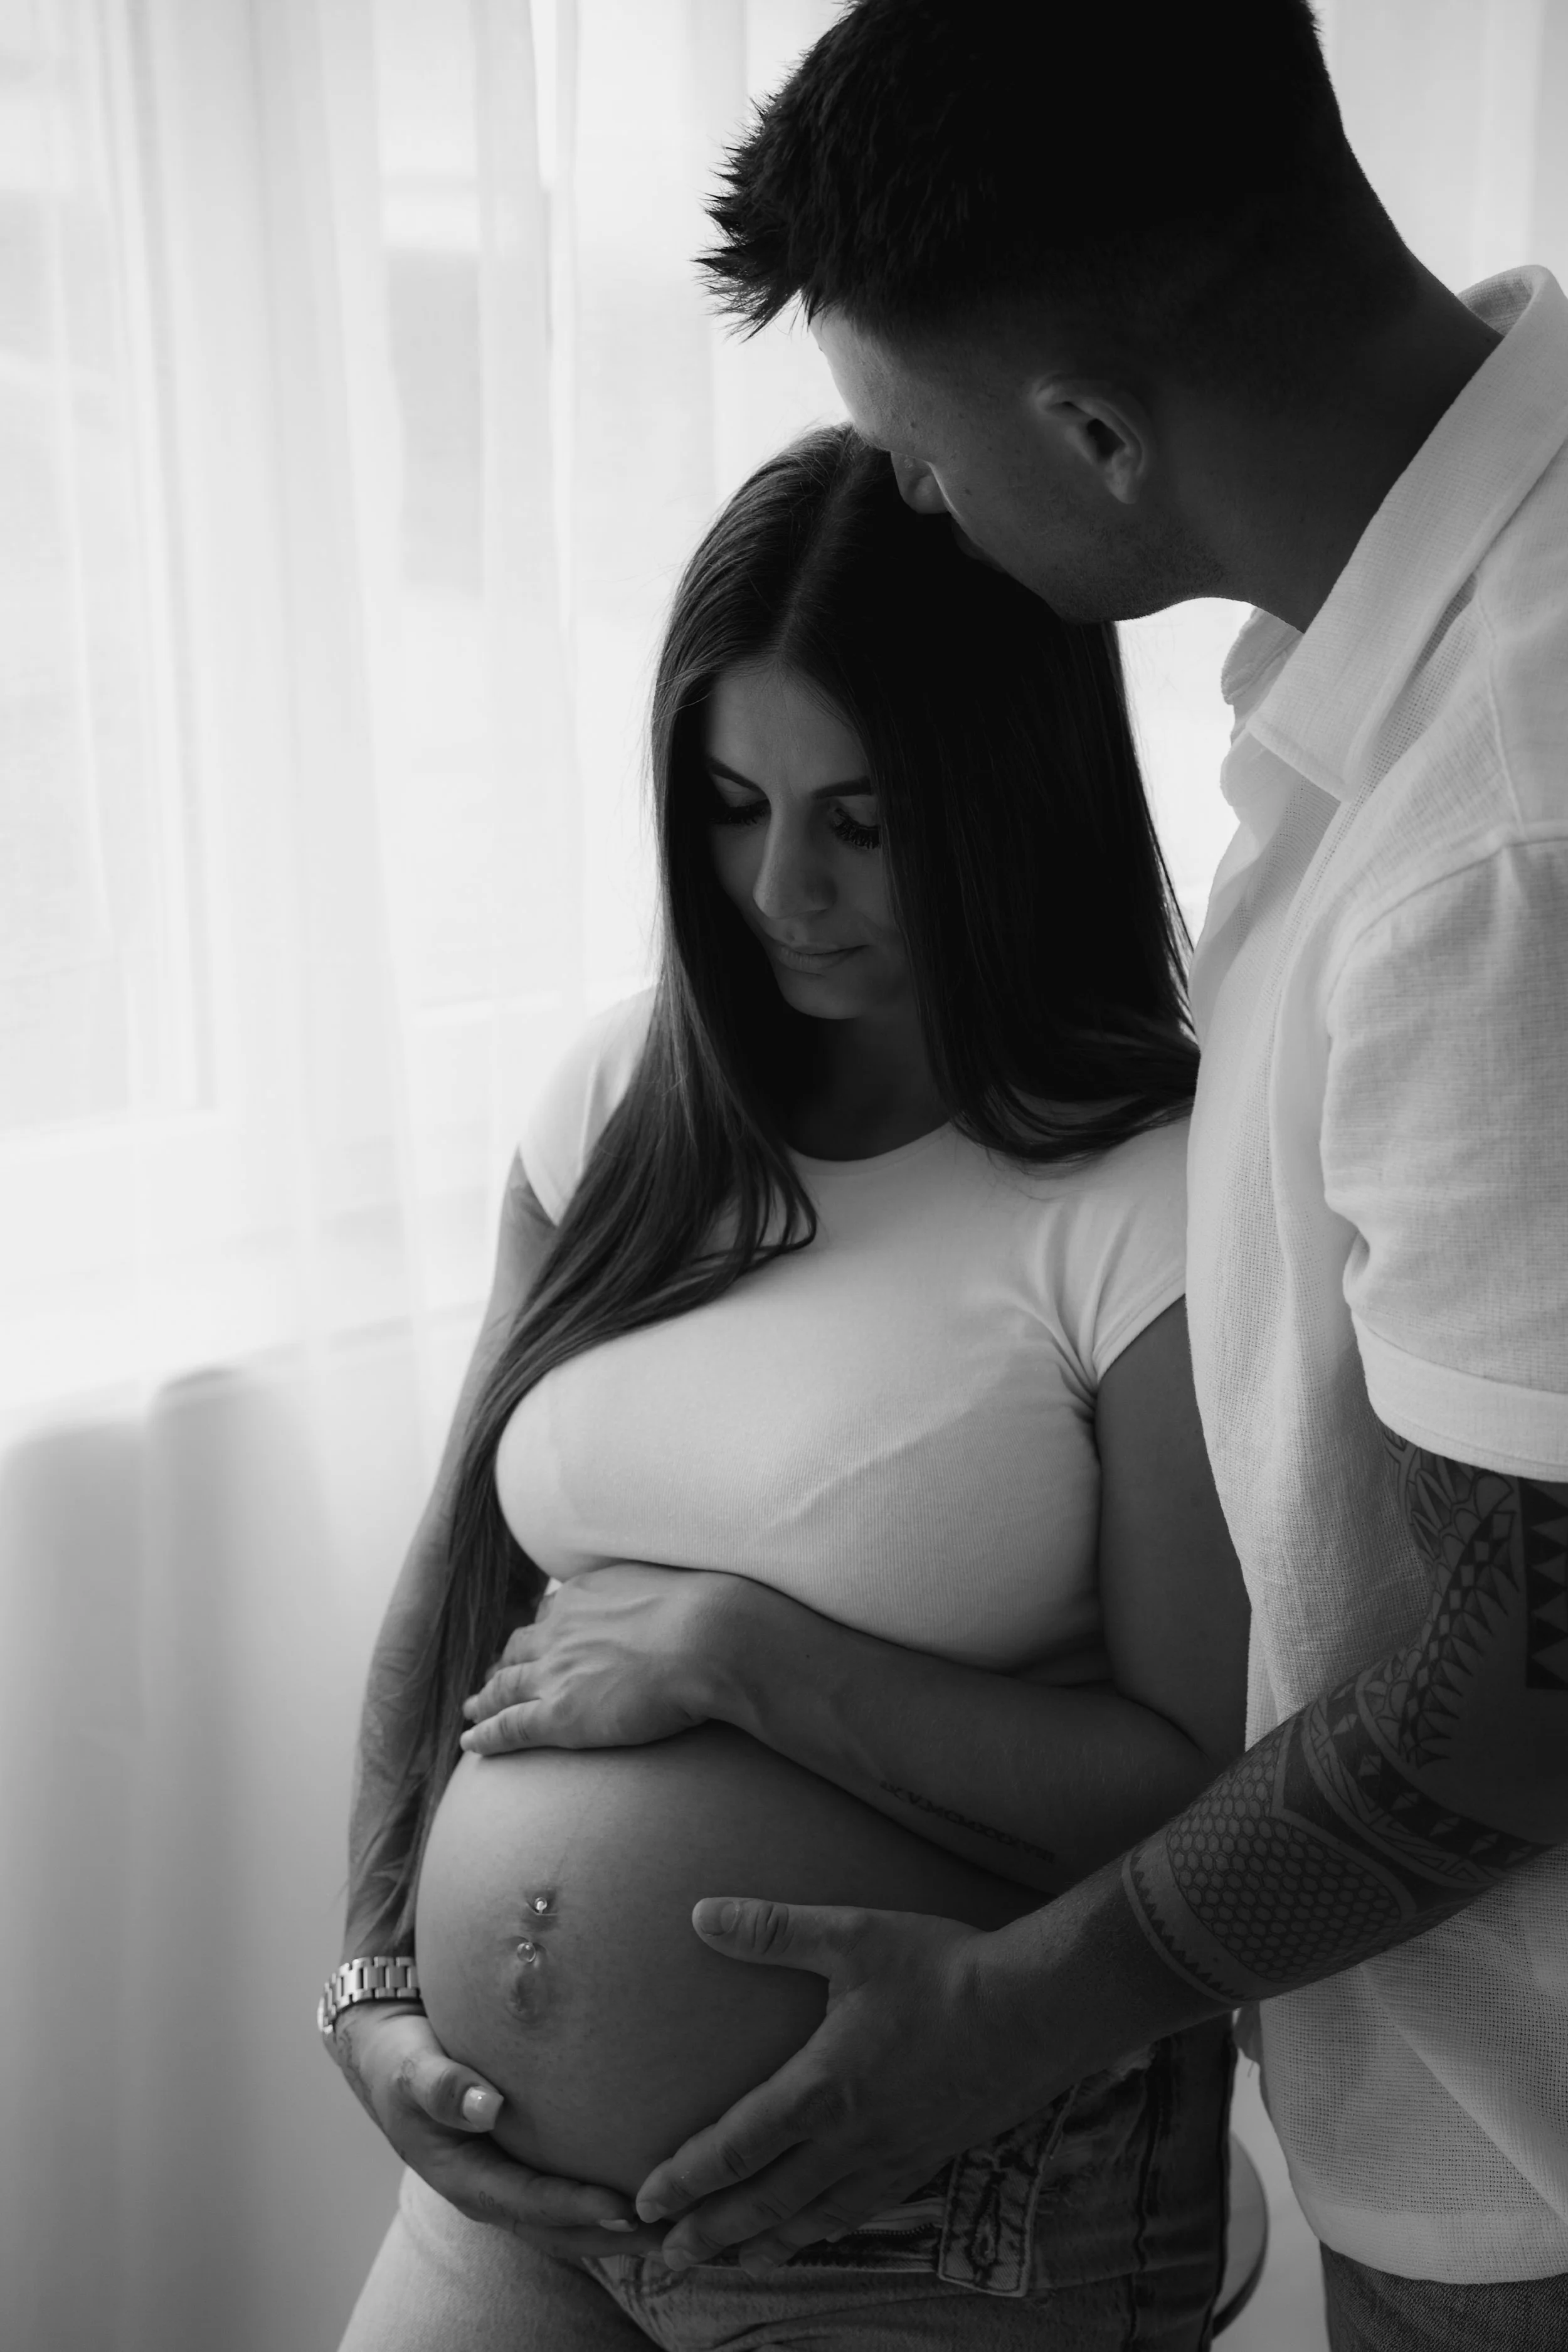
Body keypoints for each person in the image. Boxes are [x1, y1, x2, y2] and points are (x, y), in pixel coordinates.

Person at [620, 5, 1568, 2348]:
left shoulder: (1500, 830)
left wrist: (1011, 2009)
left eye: (911, 451)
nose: (908, 504)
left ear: (1092, 432)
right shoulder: (1424, 646)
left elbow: (1529, 1675)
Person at [327, 425, 1251, 2349]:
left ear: (1005, 804)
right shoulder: (621, 1098)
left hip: (936, 2187)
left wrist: (751, 1654)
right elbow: (459, 1584)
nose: (780, 888)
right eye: (731, 804)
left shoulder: (1146, 1187)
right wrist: (371, 1982)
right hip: (506, 2190)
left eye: (860, 821)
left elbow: (1195, 1791)